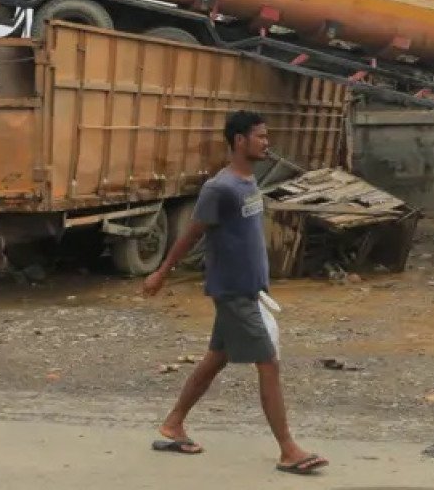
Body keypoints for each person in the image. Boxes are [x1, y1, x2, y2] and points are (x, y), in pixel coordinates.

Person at [141, 109, 329, 476]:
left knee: (216, 358)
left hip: (248, 290)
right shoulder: (220, 188)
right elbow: (193, 233)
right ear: (240, 141)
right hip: (233, 293)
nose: (266, 142)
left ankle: (173, 424)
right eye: (260, 136)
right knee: (268, 363)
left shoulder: (247, 183)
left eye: (266, 136)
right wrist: (161, 273)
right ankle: (289, 450)